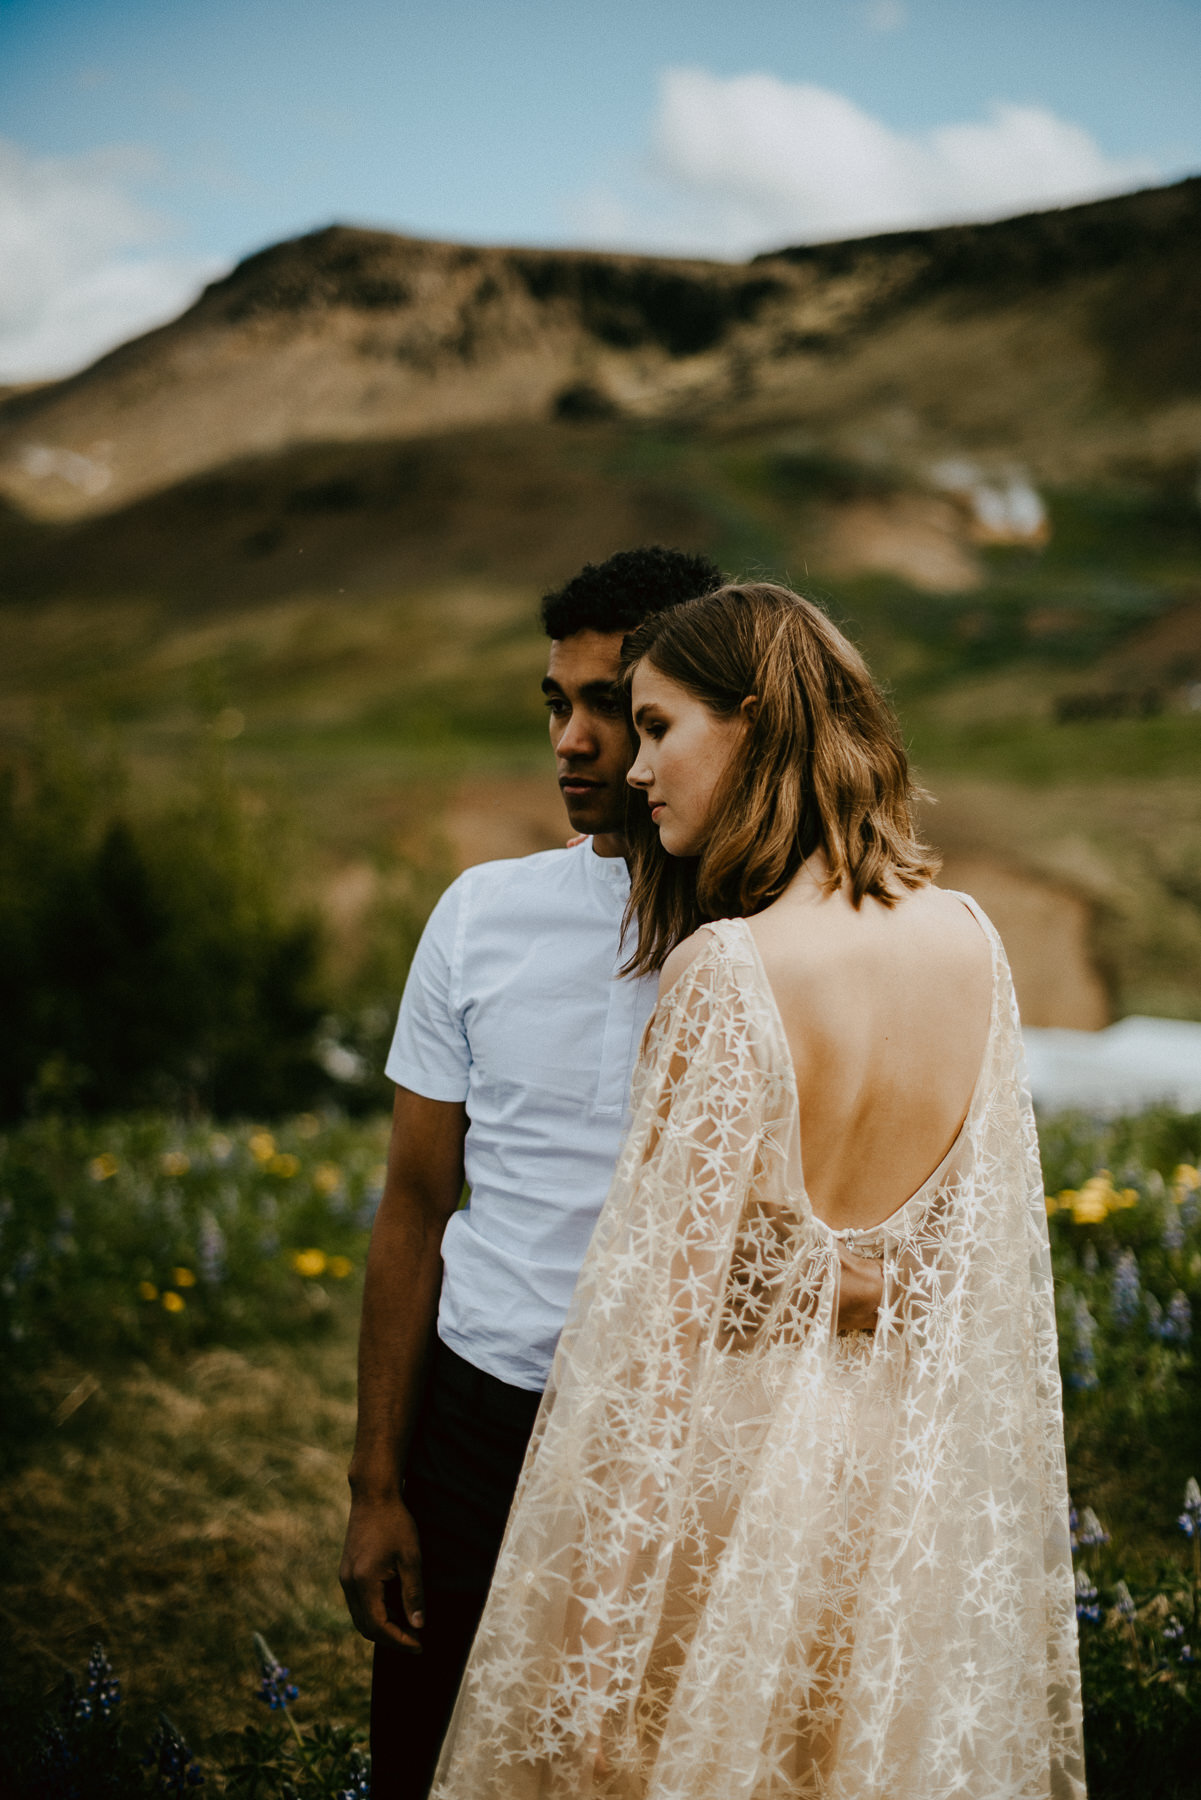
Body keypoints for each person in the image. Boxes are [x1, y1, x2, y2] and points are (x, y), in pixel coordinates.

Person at [429, 583, 1086, 1800]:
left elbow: (643, 1355)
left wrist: (584, 1661)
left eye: (660, 727)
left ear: (755, 723)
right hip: (890, 1491)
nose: (634, 769)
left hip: (727, 1500)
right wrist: (839, 1272)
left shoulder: (727, 972)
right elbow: (965, 1270)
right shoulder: (970, 941)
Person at [340, 549, 884, 1800]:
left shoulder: (788, 946)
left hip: (693, 1440)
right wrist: (378, 1483)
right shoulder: (479, 917)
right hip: (478, 1421)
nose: (577, 744)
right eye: (556, 706)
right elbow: (416, 1207)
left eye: (619, 710)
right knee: (429, 1756)